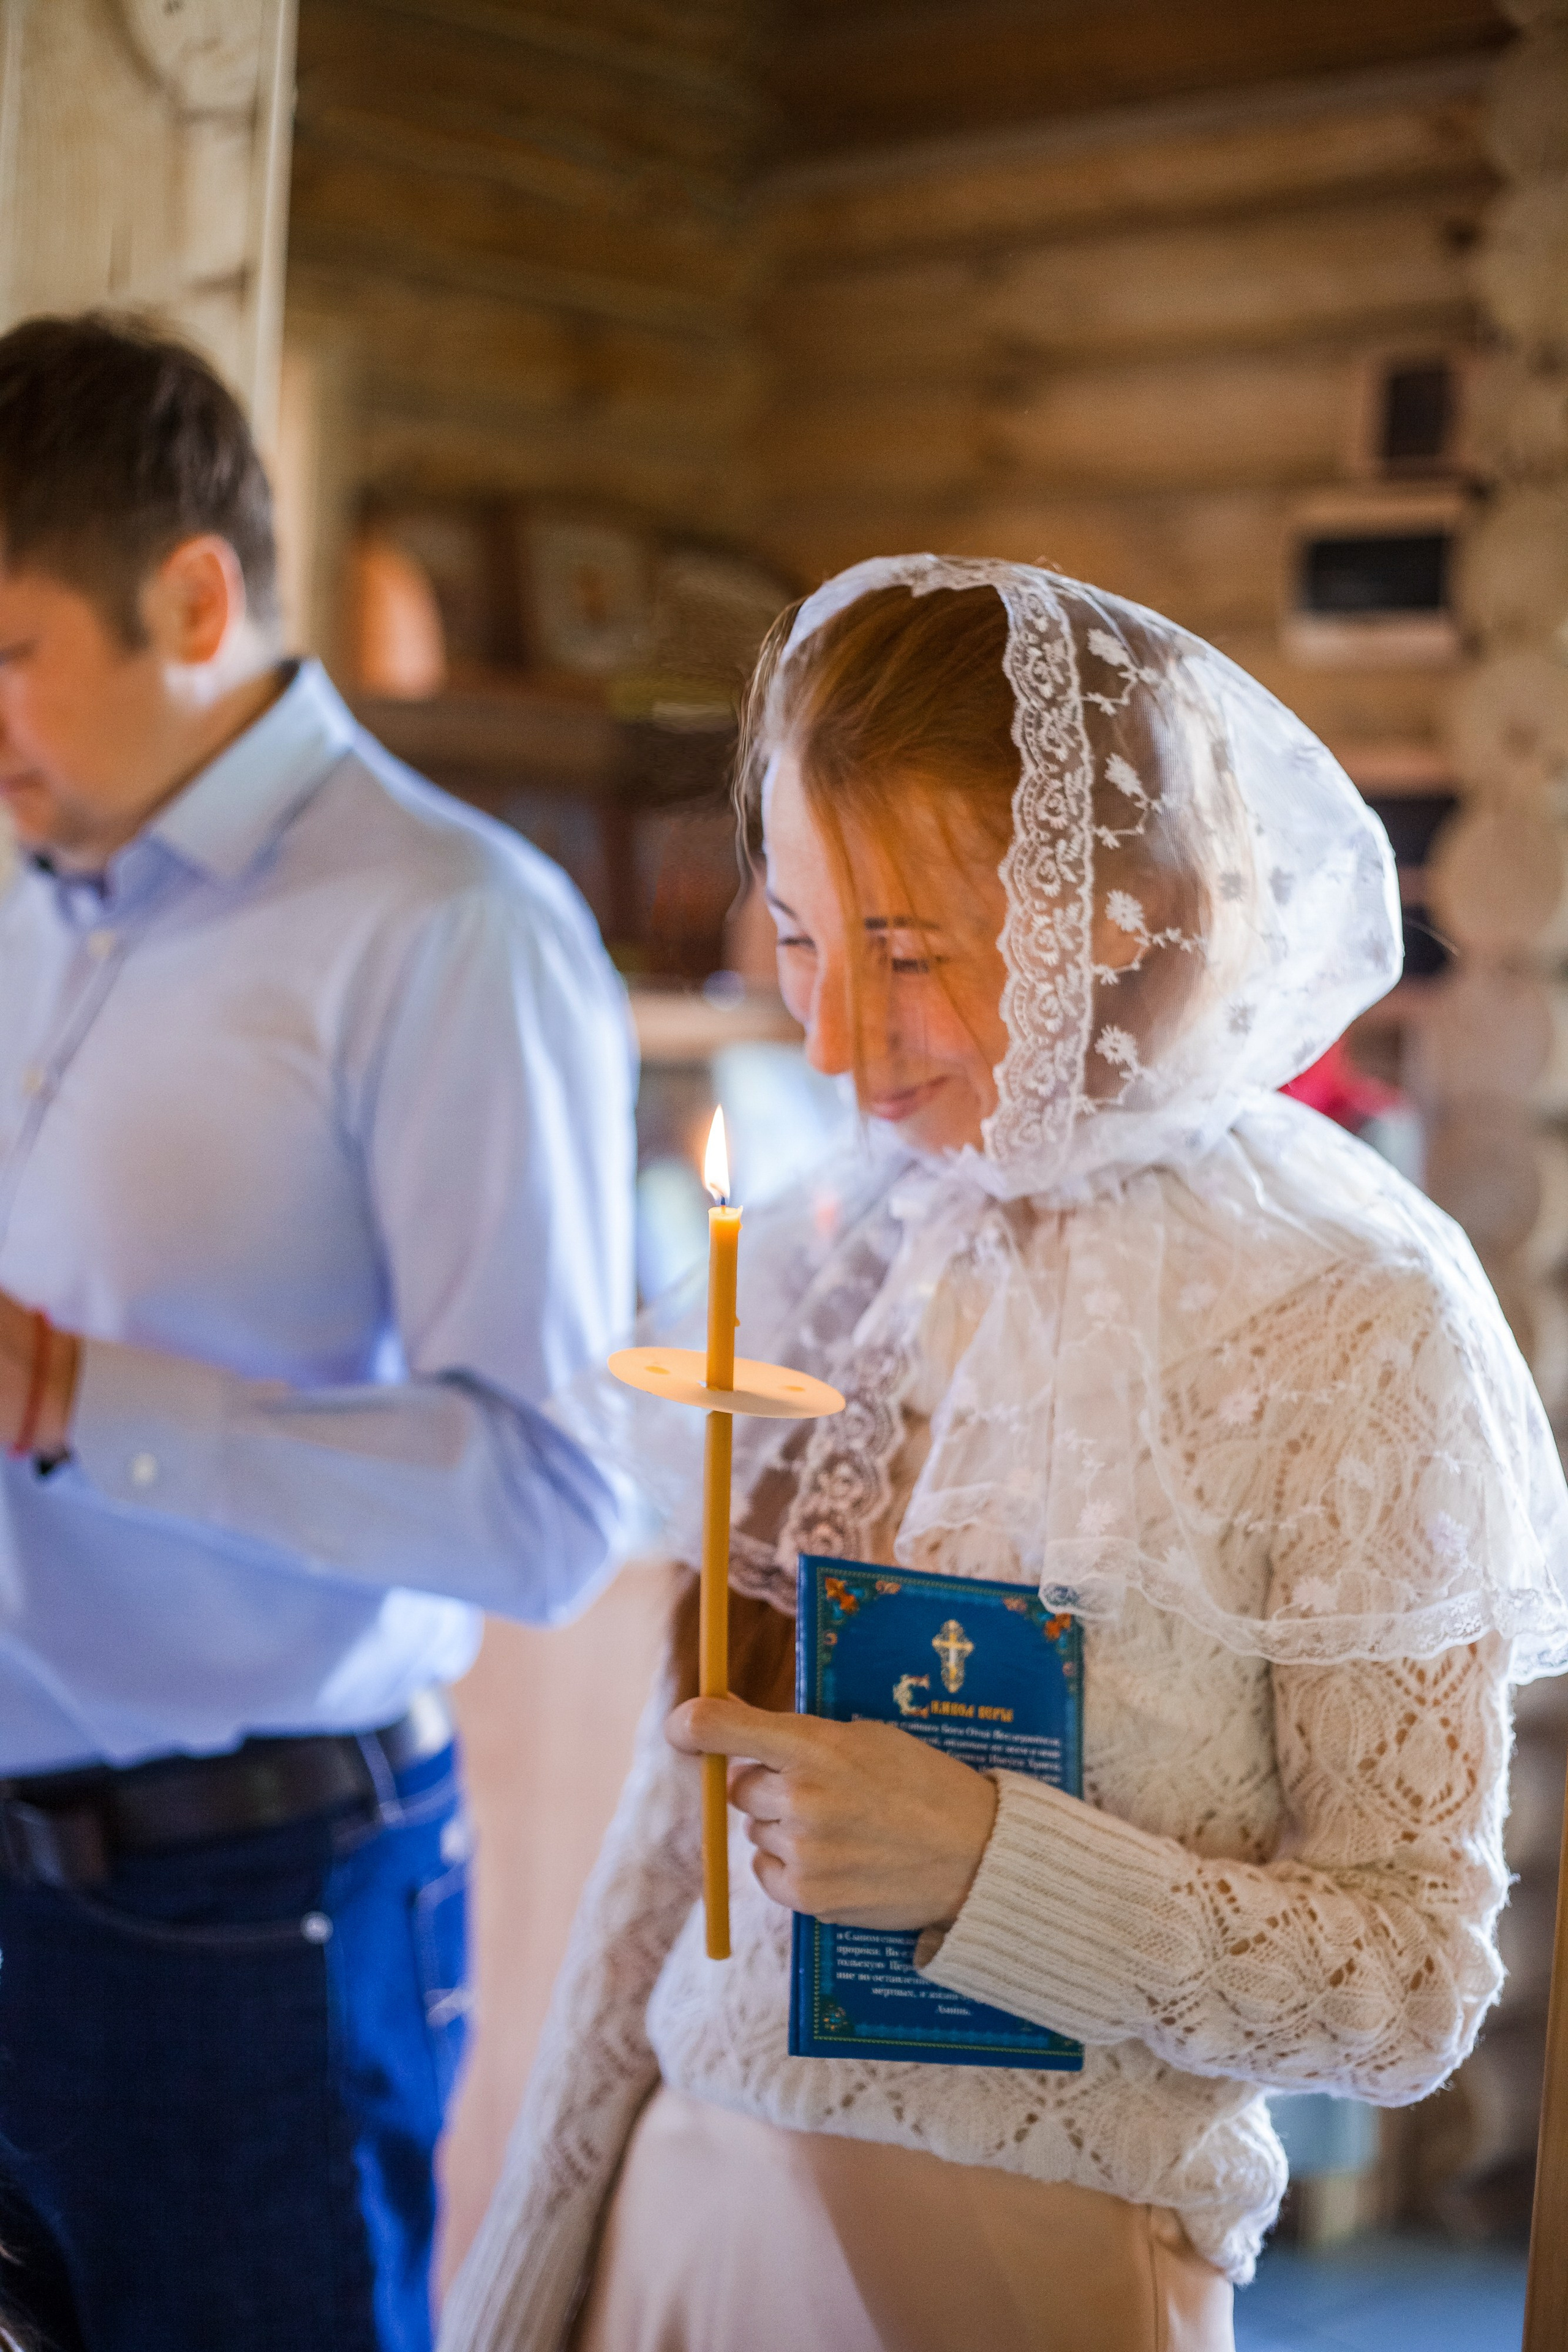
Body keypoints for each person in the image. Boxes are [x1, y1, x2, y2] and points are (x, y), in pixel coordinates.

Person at [440, 558, 1568, 2352]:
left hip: (1020, 2273)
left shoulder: (1349, 1318)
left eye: (904, 955)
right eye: (796, 938)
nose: (827, 1040)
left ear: (1118, 916)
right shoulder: (837, 1256)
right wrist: (523, 2285)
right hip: (674, 2226)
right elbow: (673, 1843)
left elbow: (1409, 1985)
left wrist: (988, 1866)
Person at [0, 315, 635, 2352]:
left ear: (192, 596)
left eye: (2, 655)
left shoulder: (453, 928)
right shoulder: (18, 887)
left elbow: (550, 1504)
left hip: (238, 1920)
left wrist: (78, 1401)